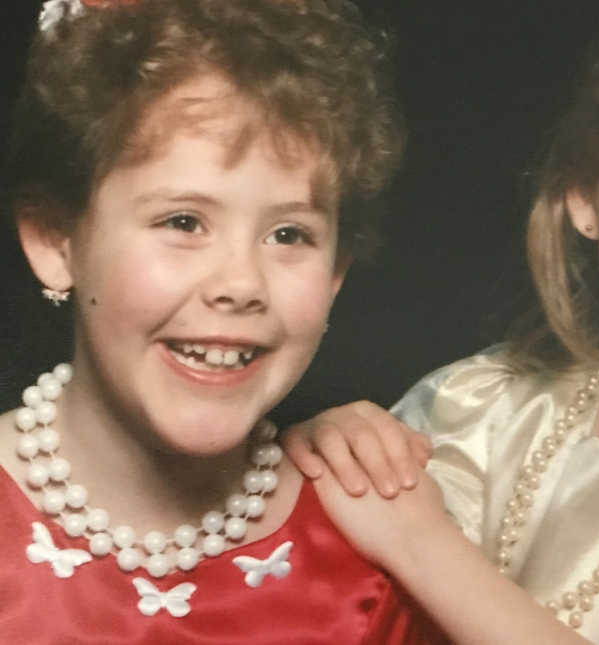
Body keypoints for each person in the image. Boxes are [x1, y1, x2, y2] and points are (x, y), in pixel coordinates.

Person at [286, 0, 599, 642]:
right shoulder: (474, 409)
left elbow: (412, 545)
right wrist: (325, 456)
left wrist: (421, 543)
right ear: (583, 197)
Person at [0, 0, 447, 642]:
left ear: (336, 275)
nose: (241, 284)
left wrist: (424, 548)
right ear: (54, 241)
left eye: (289, 234)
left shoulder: (369, 550)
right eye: (183, 222)